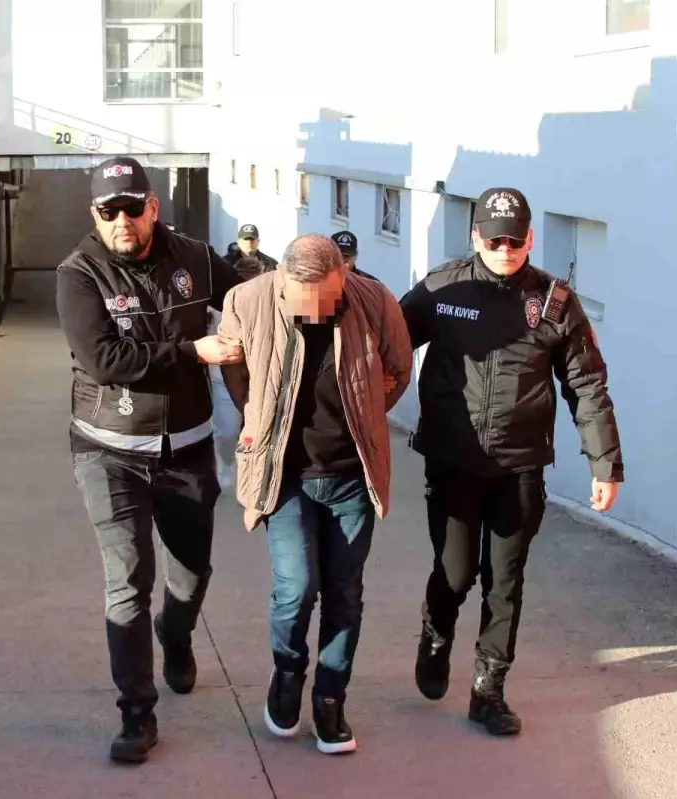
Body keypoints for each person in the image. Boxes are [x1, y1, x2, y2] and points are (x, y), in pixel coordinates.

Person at [398, 187, 623, 737]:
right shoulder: (441, 289)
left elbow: (586, 384)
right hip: (453, 461)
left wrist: (604, 463)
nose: (505, 250)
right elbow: (388, 346)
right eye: (495, 240)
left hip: (519, 466)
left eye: (515, 241)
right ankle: (435, 635)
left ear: (530, 238)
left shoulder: (554, 302)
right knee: (455, 574)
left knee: (505, 582)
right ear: (476, 236)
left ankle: (488, 692)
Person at [55, 156, 245, 764]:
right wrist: (191, 351)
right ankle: (136, 714)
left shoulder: (195, 258)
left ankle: (177, 635)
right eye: (108, 211)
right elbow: (105, 360)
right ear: (94, 214)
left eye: (132, 209)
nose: (122, 221)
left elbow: (249, 295)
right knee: (127, 583)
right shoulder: (79, 273)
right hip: (108, 451)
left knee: (190, 574)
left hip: (187, 448)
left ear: (152, 207)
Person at [217, 234, 413, 754]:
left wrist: (365, 416)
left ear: (341, 278)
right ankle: (287, 674)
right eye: (301, 304)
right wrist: (256, 418)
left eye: (324, 302)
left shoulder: (376, 302)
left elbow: (398, 370)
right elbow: (233, 364)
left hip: (351, 476)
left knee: (345, 592)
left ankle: (330, 697)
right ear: (281, 280)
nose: (313, 314)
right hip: (285, 476)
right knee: (297, 587)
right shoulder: (247, 300)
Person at [208, 256, 265, 491]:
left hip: (261, 378)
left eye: (254, 277)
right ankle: (225, 464)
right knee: (228, 431)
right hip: (223, 378)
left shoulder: (270, 301)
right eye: (245, 277)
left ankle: (256, 476)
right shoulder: (219, 303)